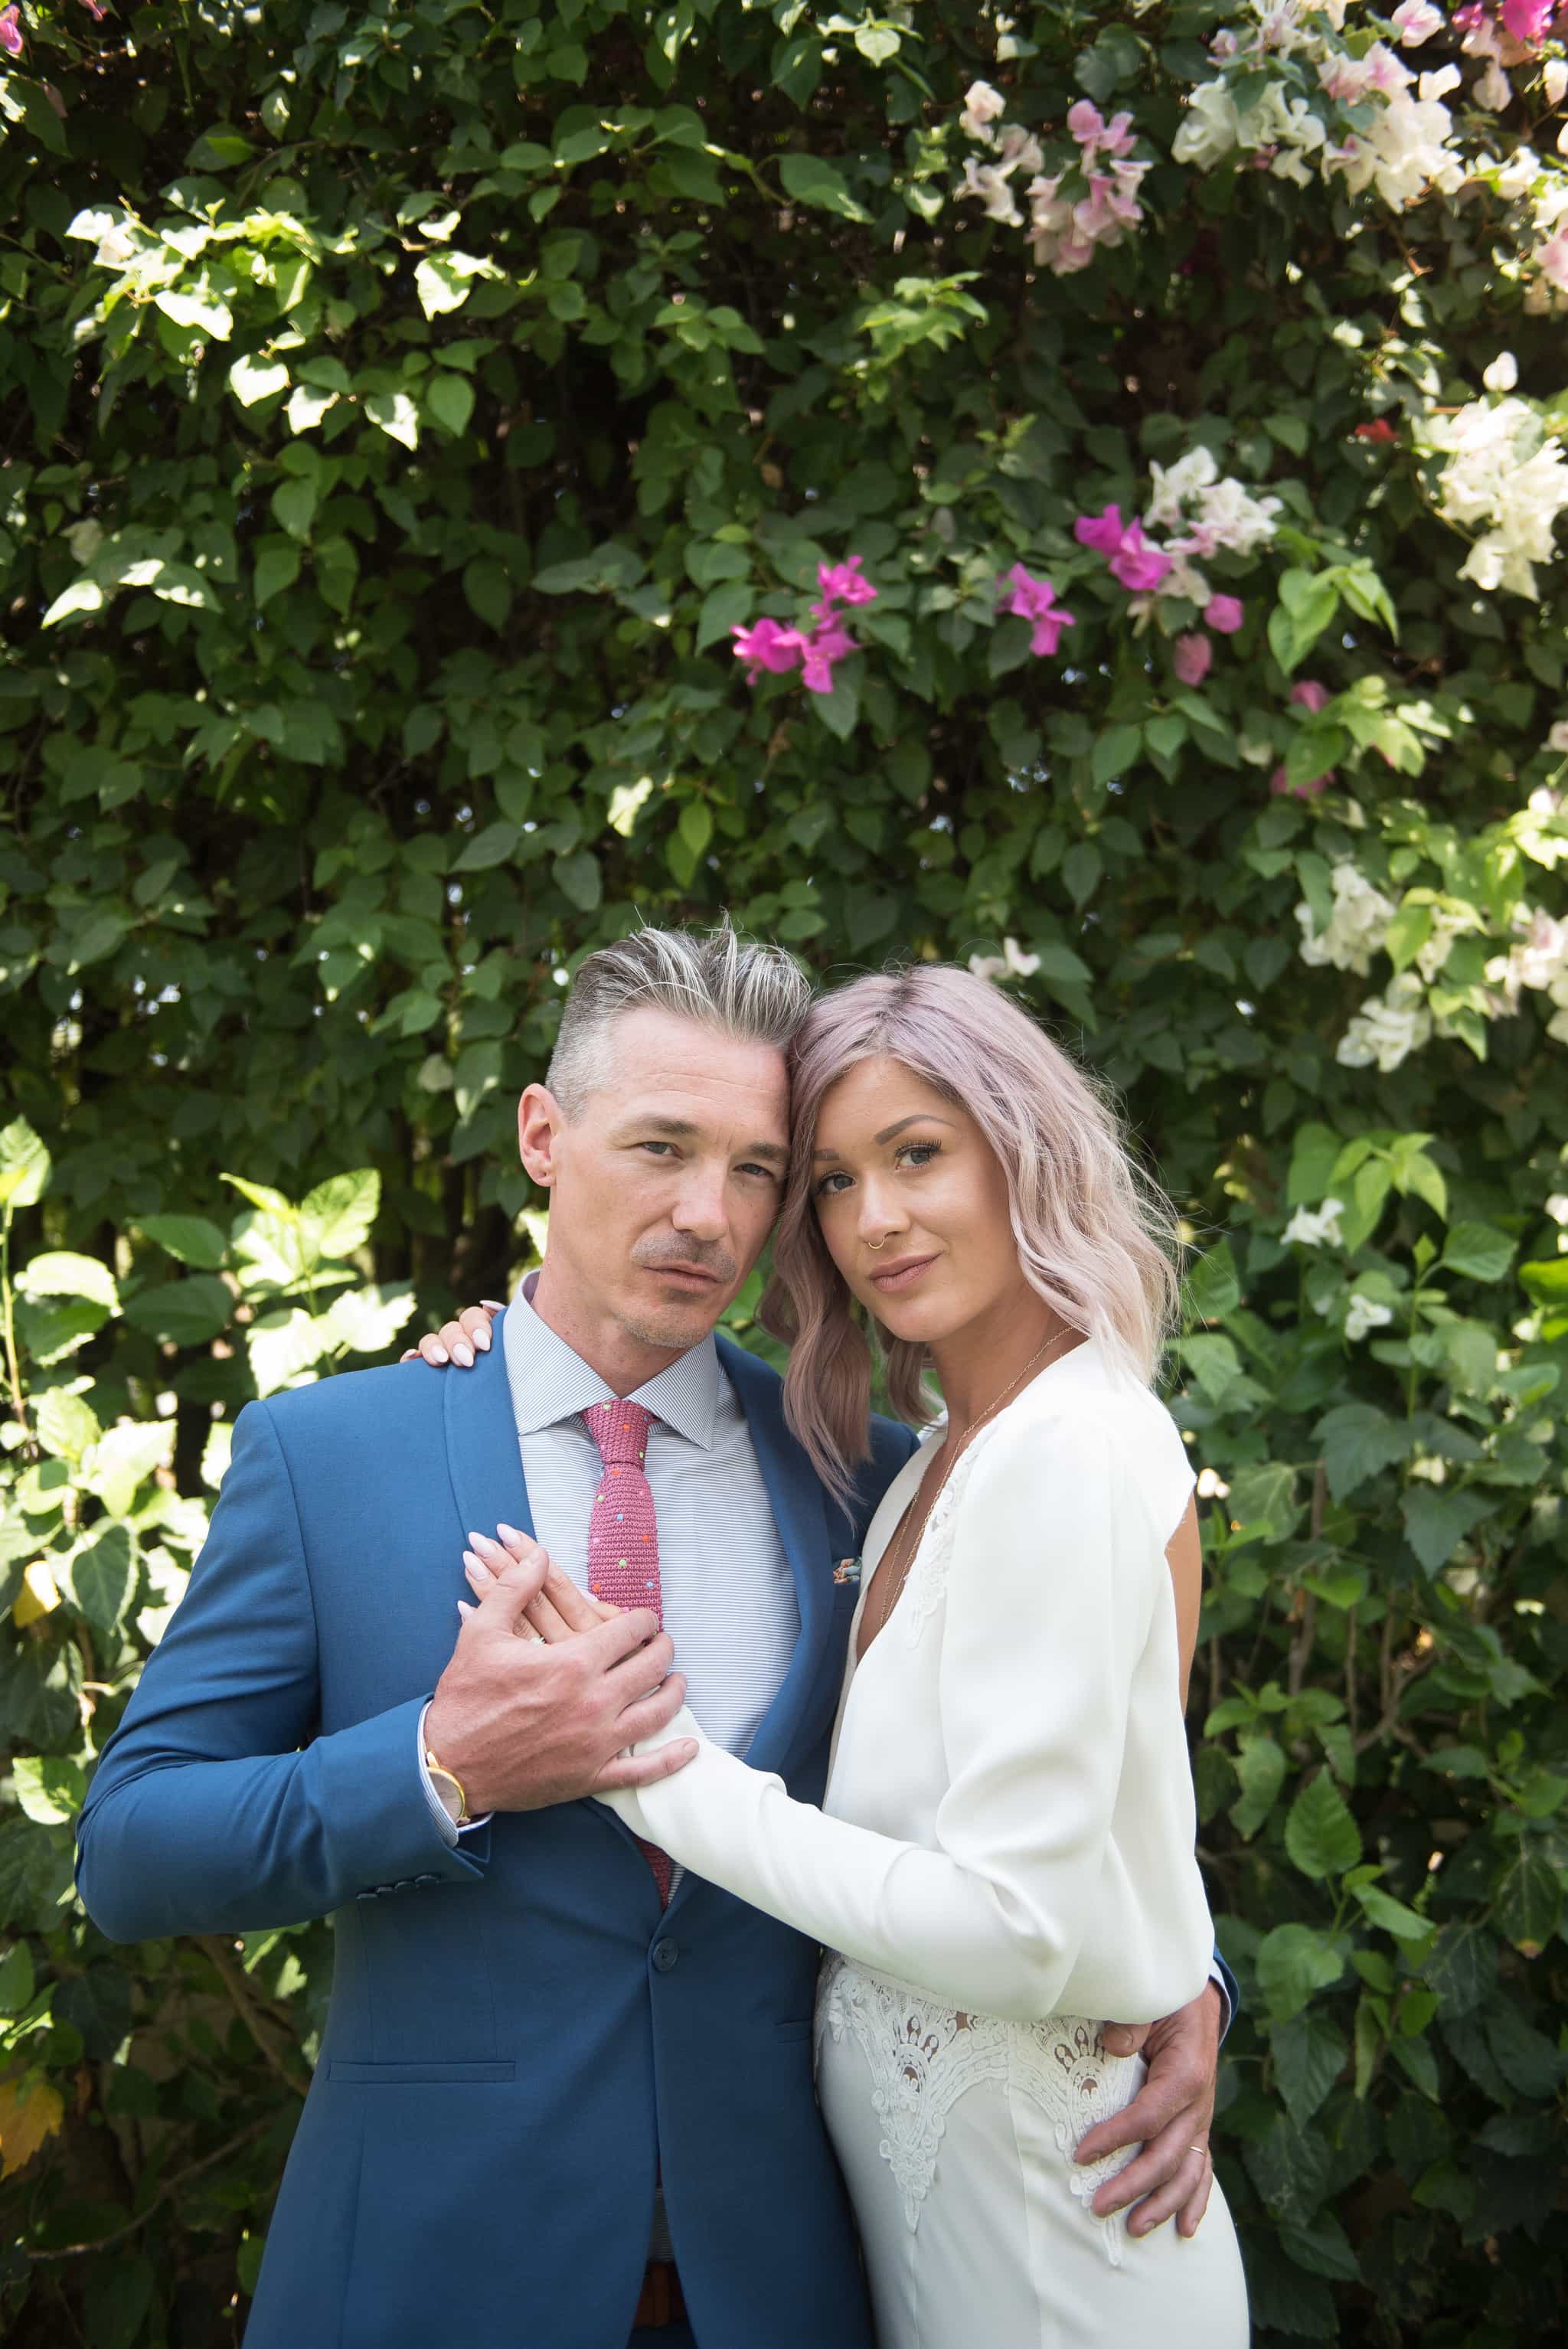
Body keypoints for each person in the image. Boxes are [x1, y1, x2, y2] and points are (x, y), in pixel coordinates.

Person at [77, 925, 1234, 2349]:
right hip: (430, 2278)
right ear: (544, 1136)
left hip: (798, 2278)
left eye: (757, 1170)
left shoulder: (877, 1474)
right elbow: (130, 1851)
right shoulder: (334, 1457)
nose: (709, 1214)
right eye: (662, 1147)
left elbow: (1066, 1764)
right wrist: (441, 1766)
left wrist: (1184, 1979)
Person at [418, 947, 1250, 2345]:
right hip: (900, 2247)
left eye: (919, 1154)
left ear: (1023, 1148)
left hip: (1065, 2240)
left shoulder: (1074, 1448)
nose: (878, 1219)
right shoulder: (905, 1470)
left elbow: (1029, 1916)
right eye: (835, 1181)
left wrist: (644, 1764)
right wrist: (511, 1365)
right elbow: (1111, 1791)